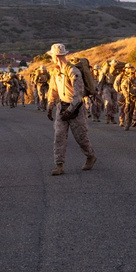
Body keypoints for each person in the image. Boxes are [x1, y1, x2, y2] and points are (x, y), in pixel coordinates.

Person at [46, 43, 96, 175]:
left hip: (76, 109)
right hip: (62, 107)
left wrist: (70, 111)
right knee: (59, 136)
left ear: (56, 56)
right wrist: (50, 106)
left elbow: (78, 95)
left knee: (81, 137)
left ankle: (90, 156)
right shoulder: (56, 72)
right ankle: (59, 165)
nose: (52, 59)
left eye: (52, 56)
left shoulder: (74, 72)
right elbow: (53, 90)